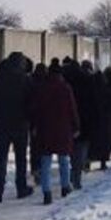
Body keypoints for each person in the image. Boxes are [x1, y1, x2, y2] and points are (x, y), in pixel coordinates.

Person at [0, 51, 32, 202]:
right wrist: (27, 115)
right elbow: (32, 100)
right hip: (20, 123)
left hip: (2, 123)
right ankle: (21, 188)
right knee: (21, 158)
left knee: (1, 158)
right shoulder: (25, 79)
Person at [29, 60, 79, 203]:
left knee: (45, 162)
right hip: (63, 128)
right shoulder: (65, 88)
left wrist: (34, 126)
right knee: (64, 159)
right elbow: (72, 109)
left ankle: (47, 192)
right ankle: (65, 186)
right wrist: (76, 126)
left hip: (45, 128)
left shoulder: (42, 88)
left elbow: (36, 110)